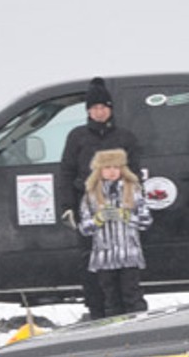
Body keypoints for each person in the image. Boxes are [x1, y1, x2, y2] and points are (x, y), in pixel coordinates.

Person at [58, 78, 145, 318]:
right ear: (88, 111)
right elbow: (65, 172)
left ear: (110, 109)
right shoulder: (77, 137)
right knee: (92, 263)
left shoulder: (125, 137)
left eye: (103, 107)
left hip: (122, 212)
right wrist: (68, 206)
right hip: (89, 207)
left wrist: (136, 203)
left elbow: (136, 173)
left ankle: (132, 310)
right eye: (94, 108)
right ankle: (98, 311)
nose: (99, 112)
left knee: (127, 269)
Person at [78, 148, 153, 318]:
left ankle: (139, 328)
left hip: (128, 254)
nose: (112, 172)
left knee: (132, 295)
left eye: (116, 167)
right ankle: (116, 332)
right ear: (99, 170)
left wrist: (126, 216)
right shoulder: (90, 195)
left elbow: (146, 221)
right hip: (104, 257)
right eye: (107, 167)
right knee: (111, 299)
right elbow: (84, 228)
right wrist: (98, 220)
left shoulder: (133, 190)